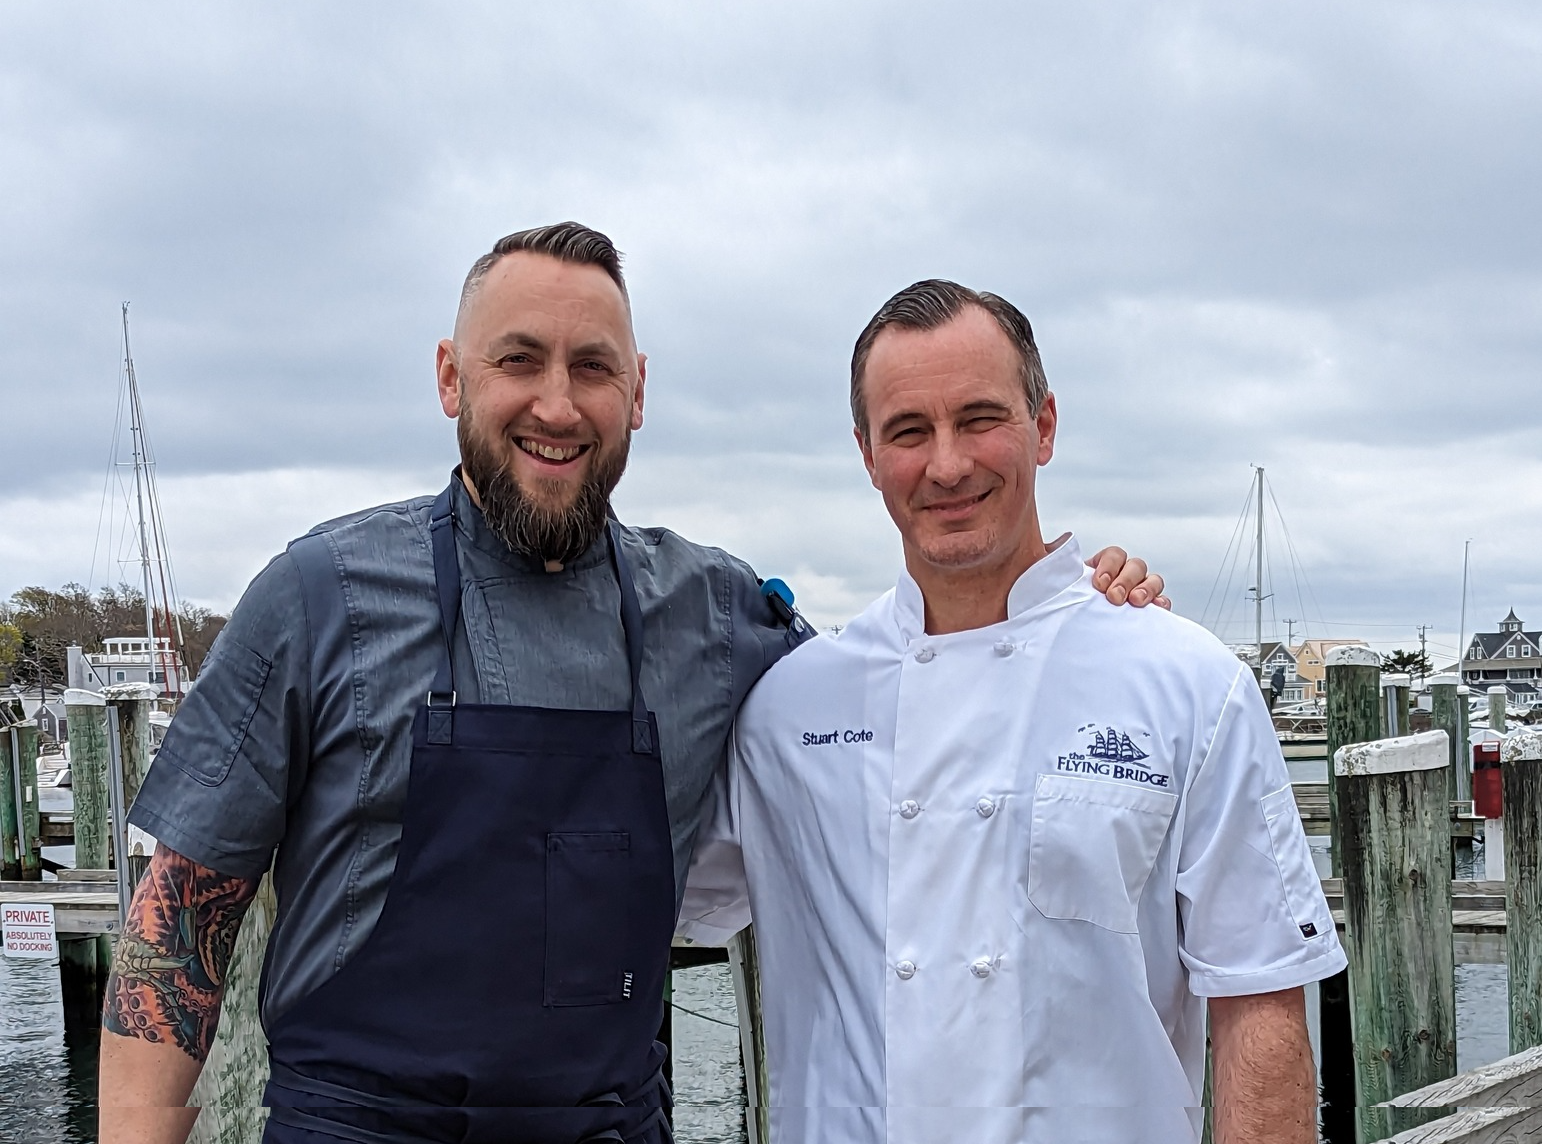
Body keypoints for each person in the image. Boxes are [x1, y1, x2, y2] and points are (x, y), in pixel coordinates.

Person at [96, 224, 1166, 1144]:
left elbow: (919, 686)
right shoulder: (317, 596)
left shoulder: (719, 616)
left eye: (593, 368)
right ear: (451, 377)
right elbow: (177, 926)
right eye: (520, 360)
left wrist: (1069, 606)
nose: (558, 404)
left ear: (638, 392)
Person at [678, 279, 1346, 1144]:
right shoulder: (786, 710)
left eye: (980, 418)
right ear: (867, 454)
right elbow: (642, 903)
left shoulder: (1188, 684)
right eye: (908, 431)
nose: (947, 465)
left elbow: (1260, 1004)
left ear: (1045, 425)